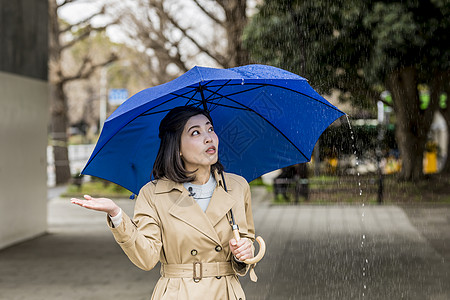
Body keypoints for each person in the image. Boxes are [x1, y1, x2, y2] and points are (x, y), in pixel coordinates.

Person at [71, 106, 257, 299]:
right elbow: (147, 258)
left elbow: (247, 242)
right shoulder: (153, 194)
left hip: (226, 292)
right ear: (177, 148)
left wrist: (244, 251)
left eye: (210, 129)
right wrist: (116, 215)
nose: (209, 137)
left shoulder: (237, 186)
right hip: (179, 293)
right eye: (196, 132)